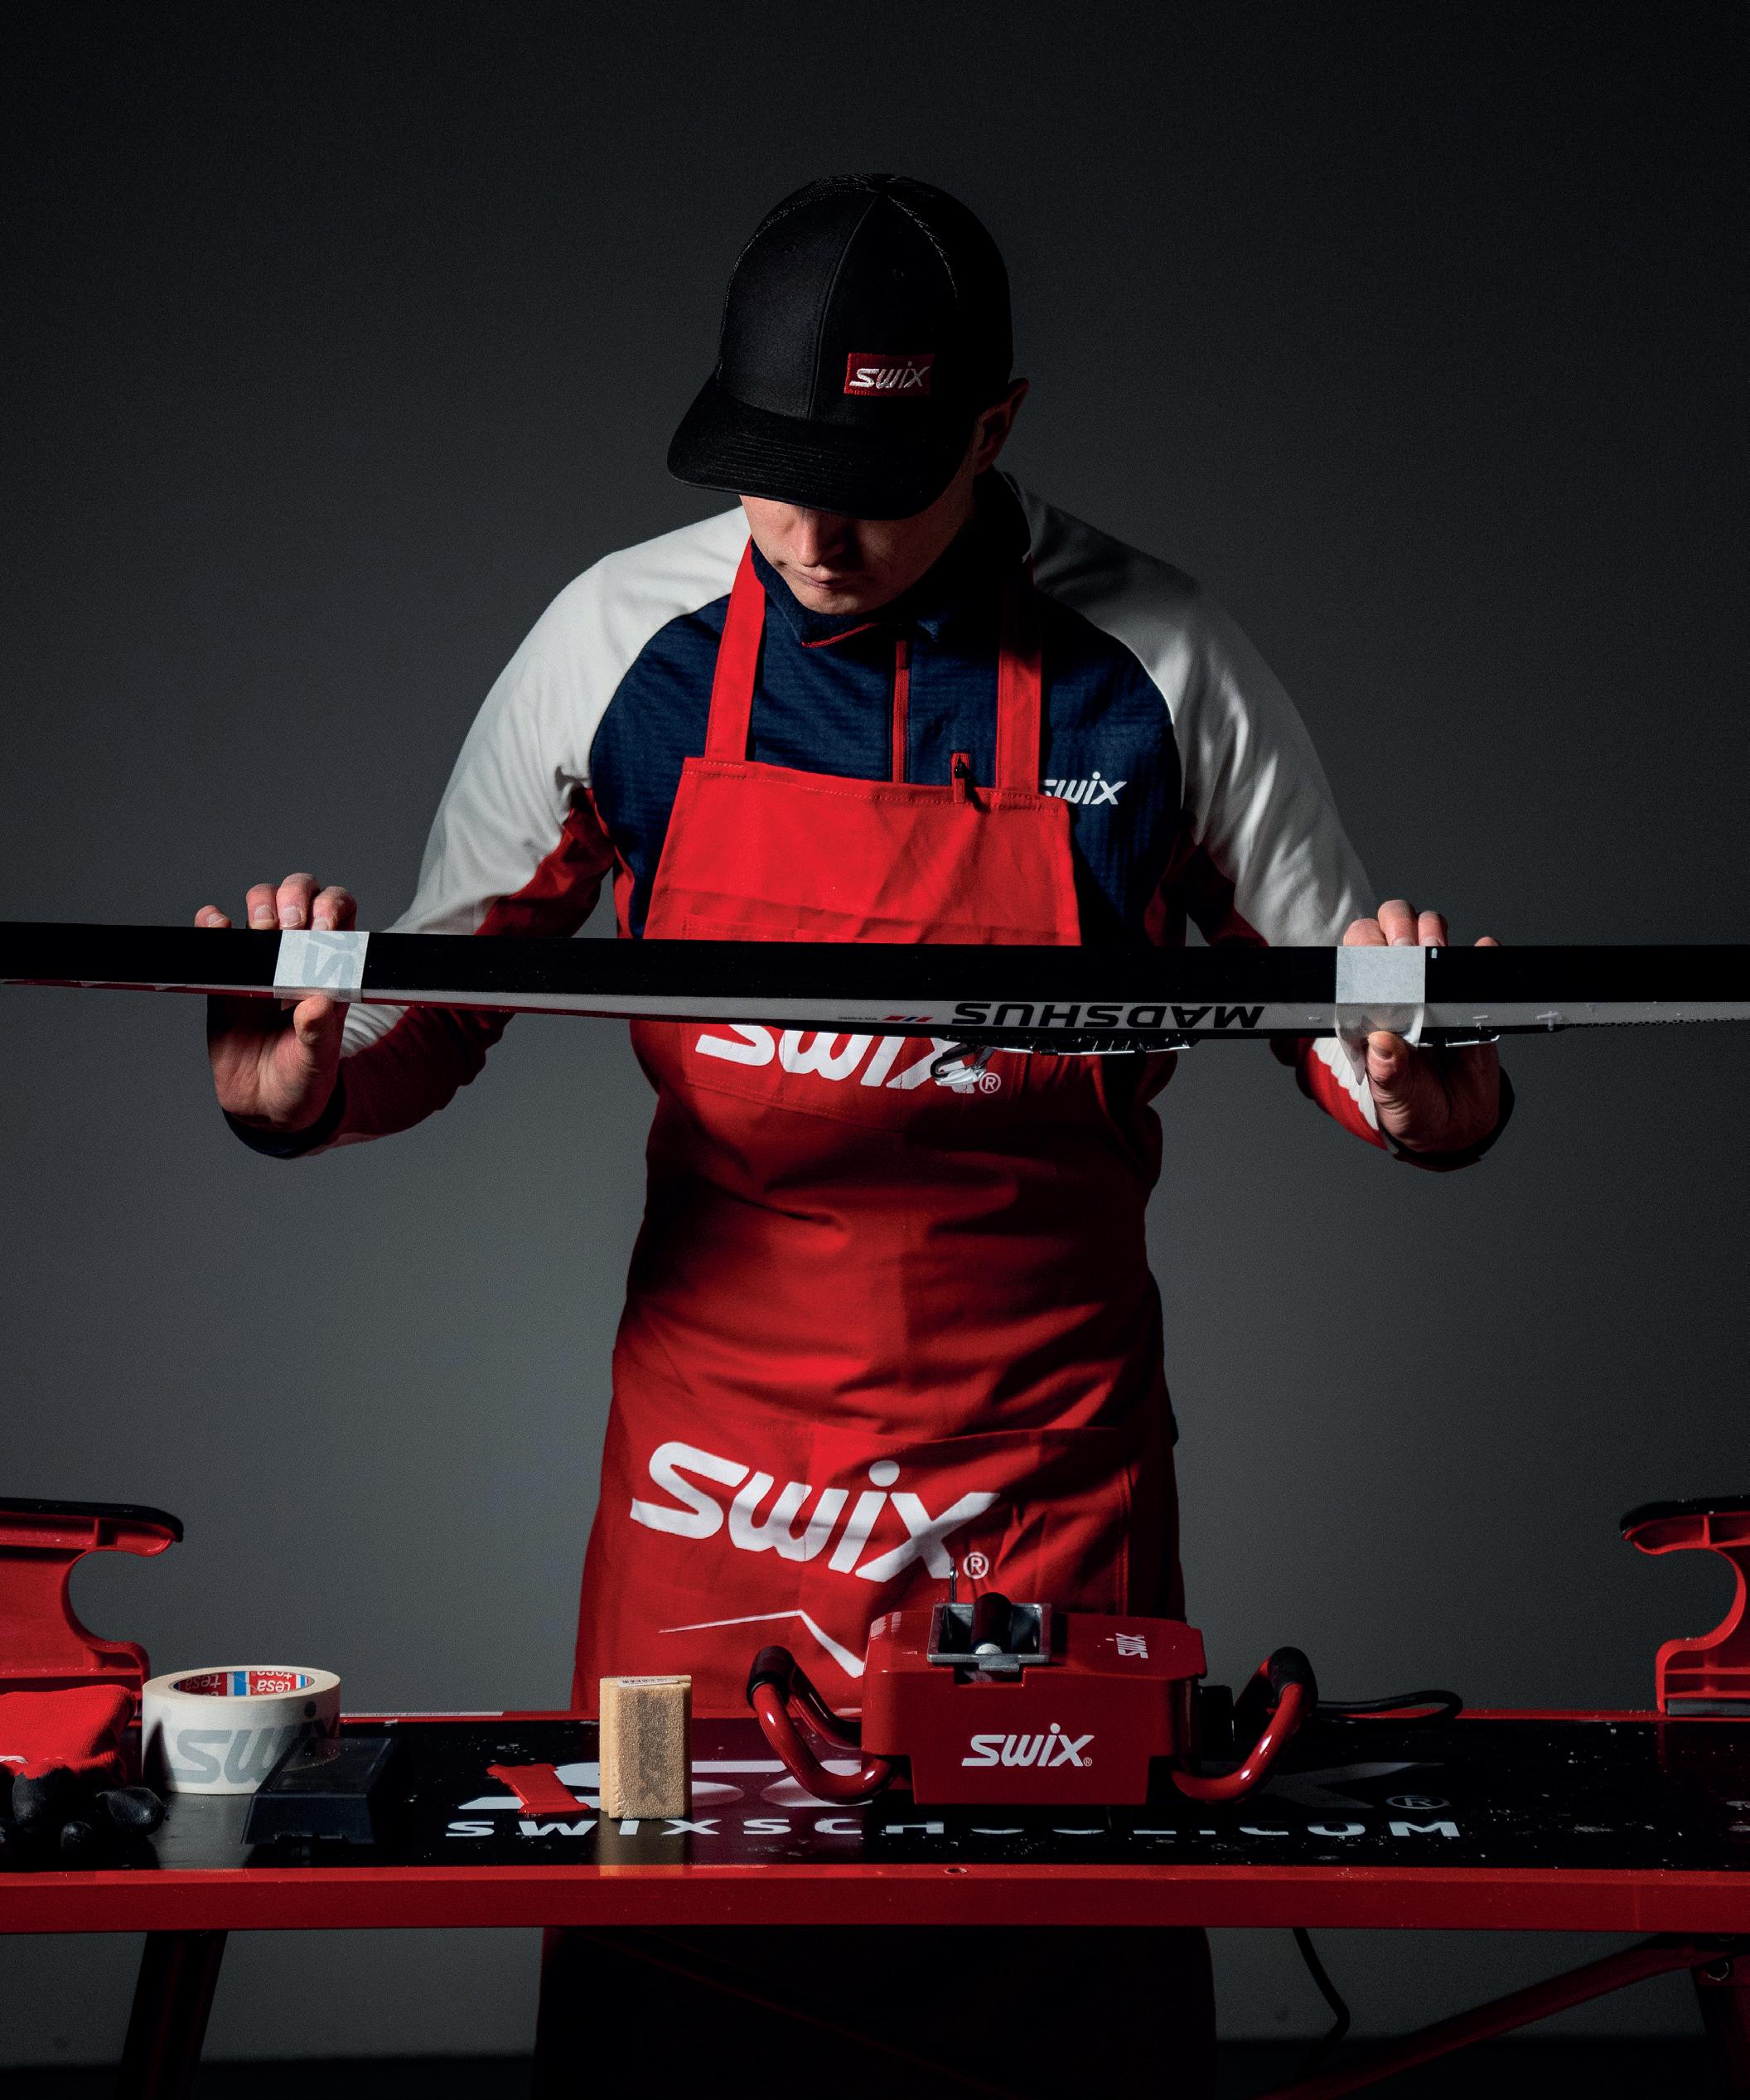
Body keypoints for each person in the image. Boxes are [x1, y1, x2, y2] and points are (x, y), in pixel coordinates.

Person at [197, 174, 1509, 2096]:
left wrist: (1420, 1094)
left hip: (1040, 1509)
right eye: (771, 477)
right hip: (707, 1517)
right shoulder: (617, 647)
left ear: (994, 428)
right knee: (678, 2008)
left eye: (873, 485)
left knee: (1058, 2022)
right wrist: (298, 1088)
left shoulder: (1161, 667)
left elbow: (1349, 1021)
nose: (815, 534)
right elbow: (431, 1001)